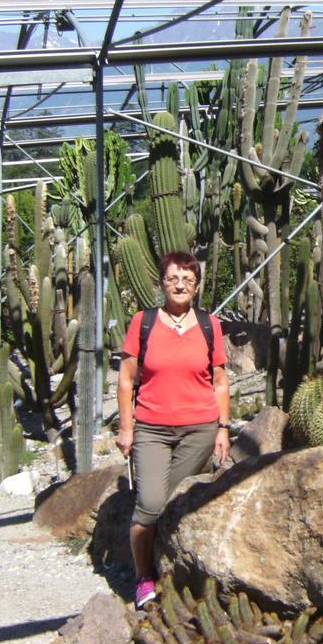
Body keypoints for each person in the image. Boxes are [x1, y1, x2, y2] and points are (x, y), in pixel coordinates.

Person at [117, 251, 231, 608]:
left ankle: (178, 572)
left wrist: (223, 428)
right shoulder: (144, 322)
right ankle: (143, 576)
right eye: (173, 278)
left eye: (188, 279)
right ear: (162, 283)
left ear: (196, 286)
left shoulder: (211, 325)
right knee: (150, 504)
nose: (180, 284)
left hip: (200, 429)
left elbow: (221, 382)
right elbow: (125, 379)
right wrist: (126, 427)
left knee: (173, 500)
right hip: (151, 427)